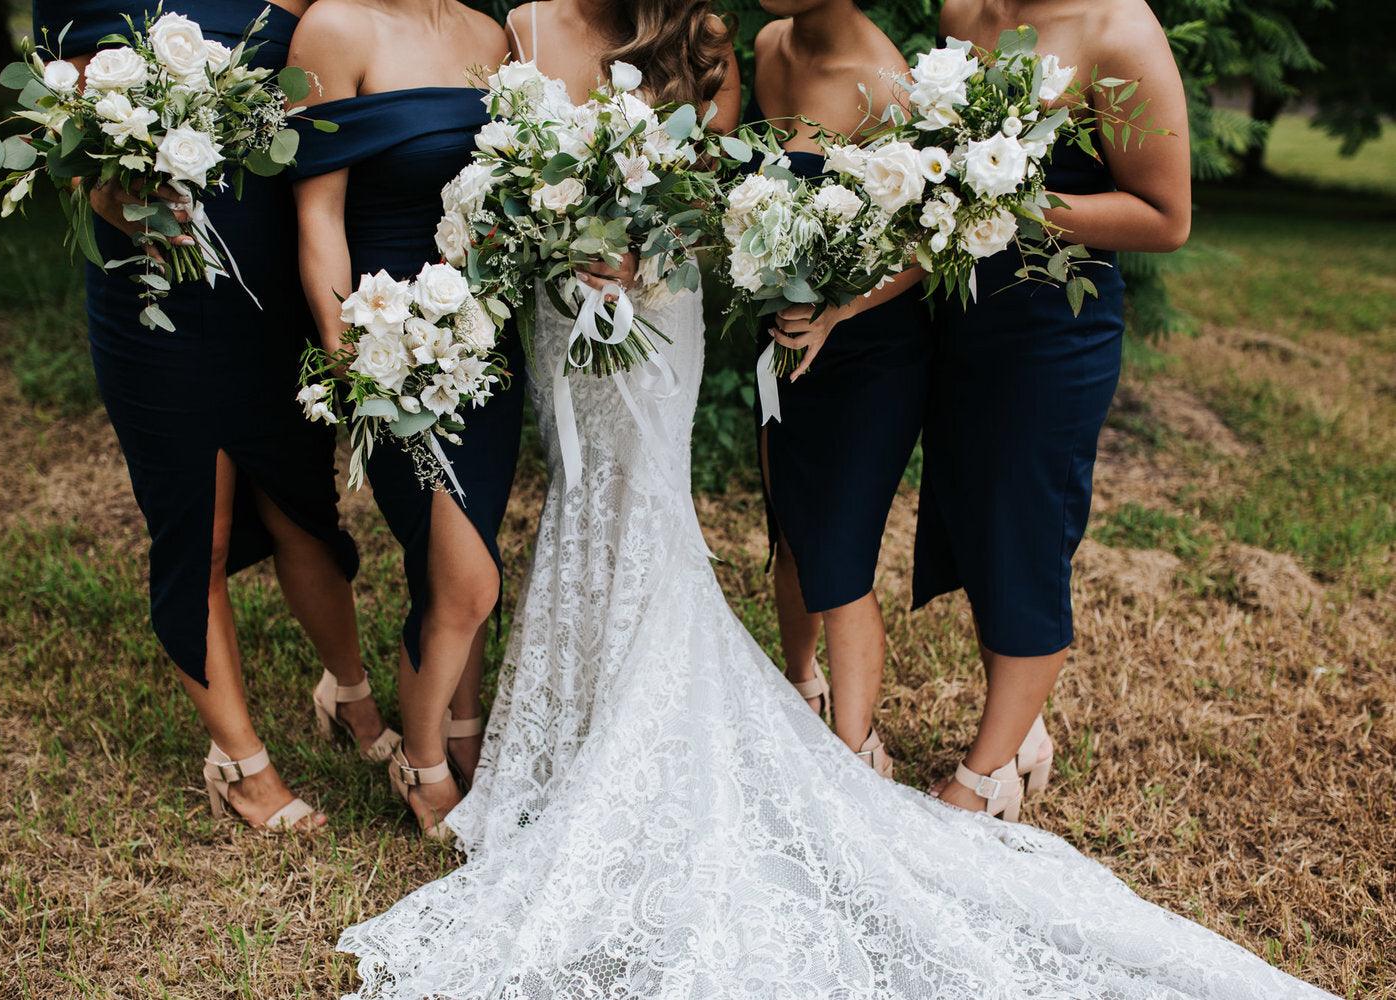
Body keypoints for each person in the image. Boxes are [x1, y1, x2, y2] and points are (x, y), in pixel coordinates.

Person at [328, 5, 1331, 998]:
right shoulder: (729, 39)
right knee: (689, 514)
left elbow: (819, 208)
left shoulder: (789, 50)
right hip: (626, 318)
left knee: (880, 527)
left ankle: (963, 748)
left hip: (748, 317)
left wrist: (857, 263)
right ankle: (594, 705)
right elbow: (734, 193)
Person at [32, 0, 365, 832]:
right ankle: (242, 763)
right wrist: (124, 200)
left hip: (272, 292)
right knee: (200, 528)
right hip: (154, 298)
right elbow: (66, 143)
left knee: (304, 512)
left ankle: (351, 696)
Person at [913, 0, 1193, 820]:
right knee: (975, 519)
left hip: (1055, 331)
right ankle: (1024, 726)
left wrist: (1013, 204)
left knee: (1026, 532)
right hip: (963, 317)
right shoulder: (961, 7)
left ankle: (985, 774)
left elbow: (1166, 219)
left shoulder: (1118, 31)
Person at [288, 0, 527, 840]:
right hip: (388, 342)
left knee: (459, 556)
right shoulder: (335, 29)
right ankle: (420, 763)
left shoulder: (491, 36)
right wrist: (353, 353)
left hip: (483, 342)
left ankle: (464, 731)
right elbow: (317, 214)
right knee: (469, 579)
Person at [749, 0, 933, 775]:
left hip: (871, 351)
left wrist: (836, 311)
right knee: (789, 524)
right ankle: (801, 682)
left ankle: (857, 755)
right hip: (783, 337)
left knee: (842, 551)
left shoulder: (887, 87)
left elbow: (932, 242)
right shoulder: (766, 47)